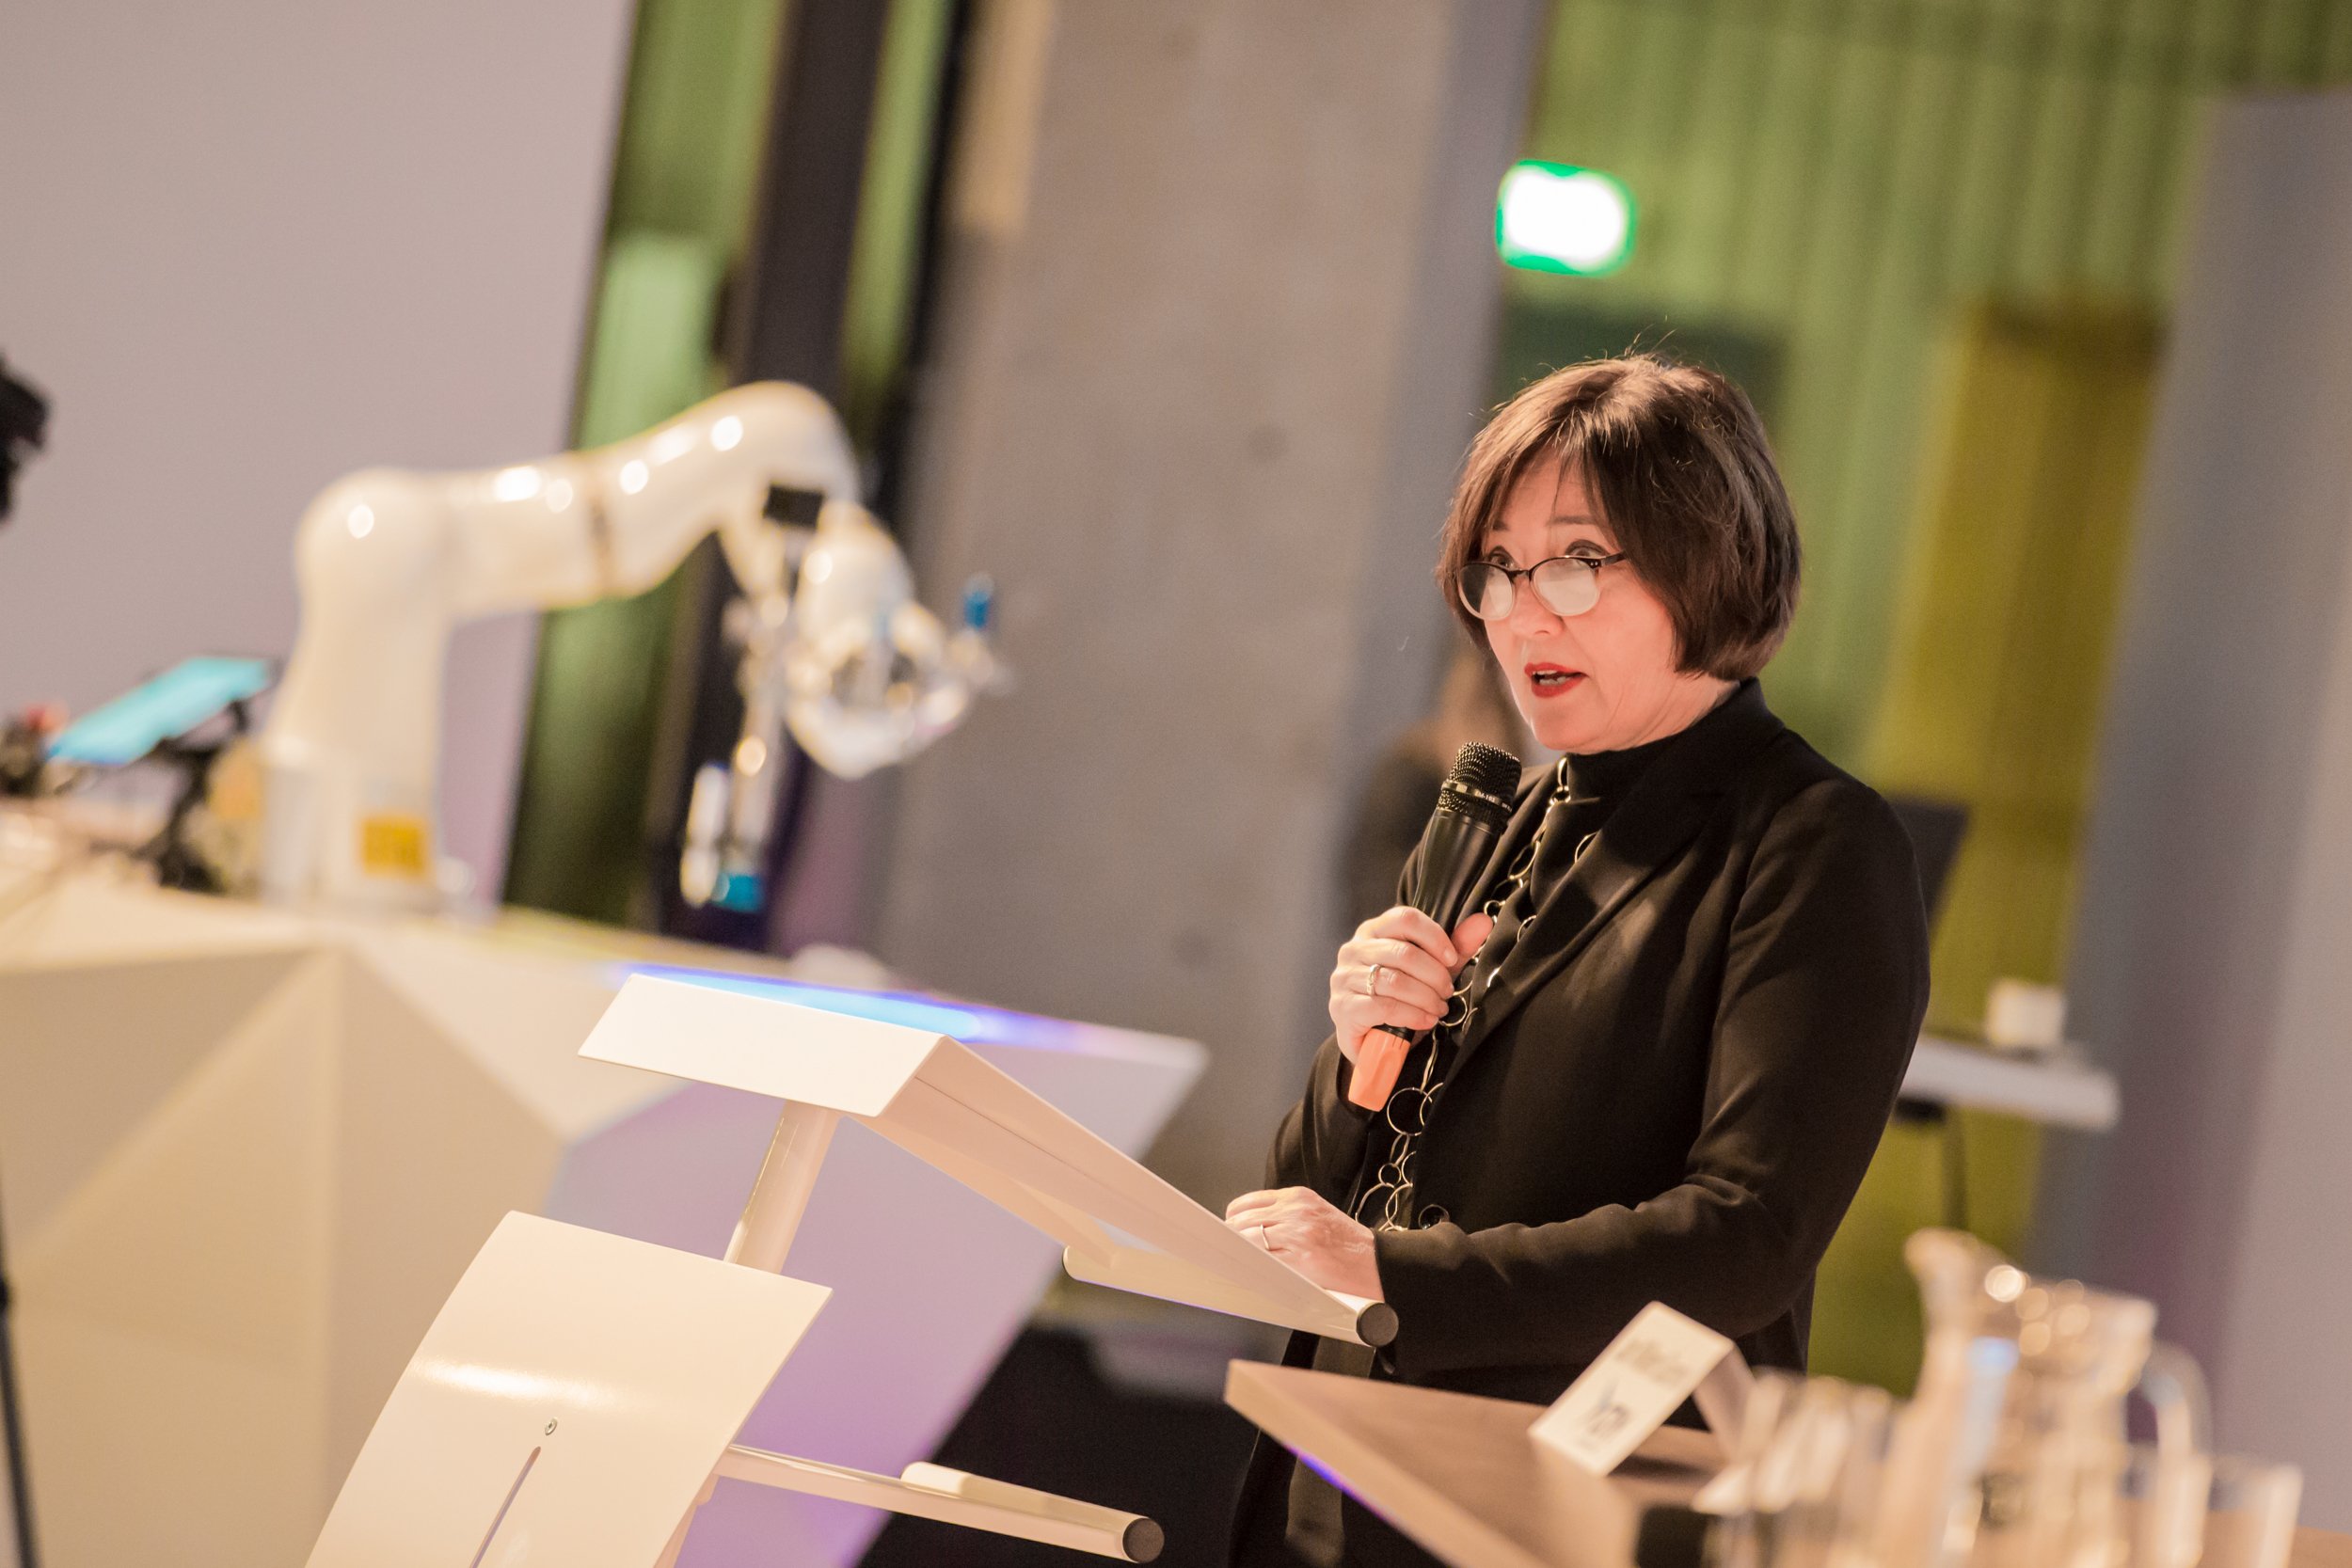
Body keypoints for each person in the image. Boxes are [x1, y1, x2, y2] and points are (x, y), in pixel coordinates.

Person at [1224, 355, 1931, 1567]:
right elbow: (1323, 1195)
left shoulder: (1812, 842)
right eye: (1497, 569)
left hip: (1574, 1507)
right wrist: (1354, 1060)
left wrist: (1395, 1273)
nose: (1522, 613)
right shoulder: (1498, 823)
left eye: (1573, 562)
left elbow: (1746, 1237)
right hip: (1340, 1472)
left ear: (1708, 562)